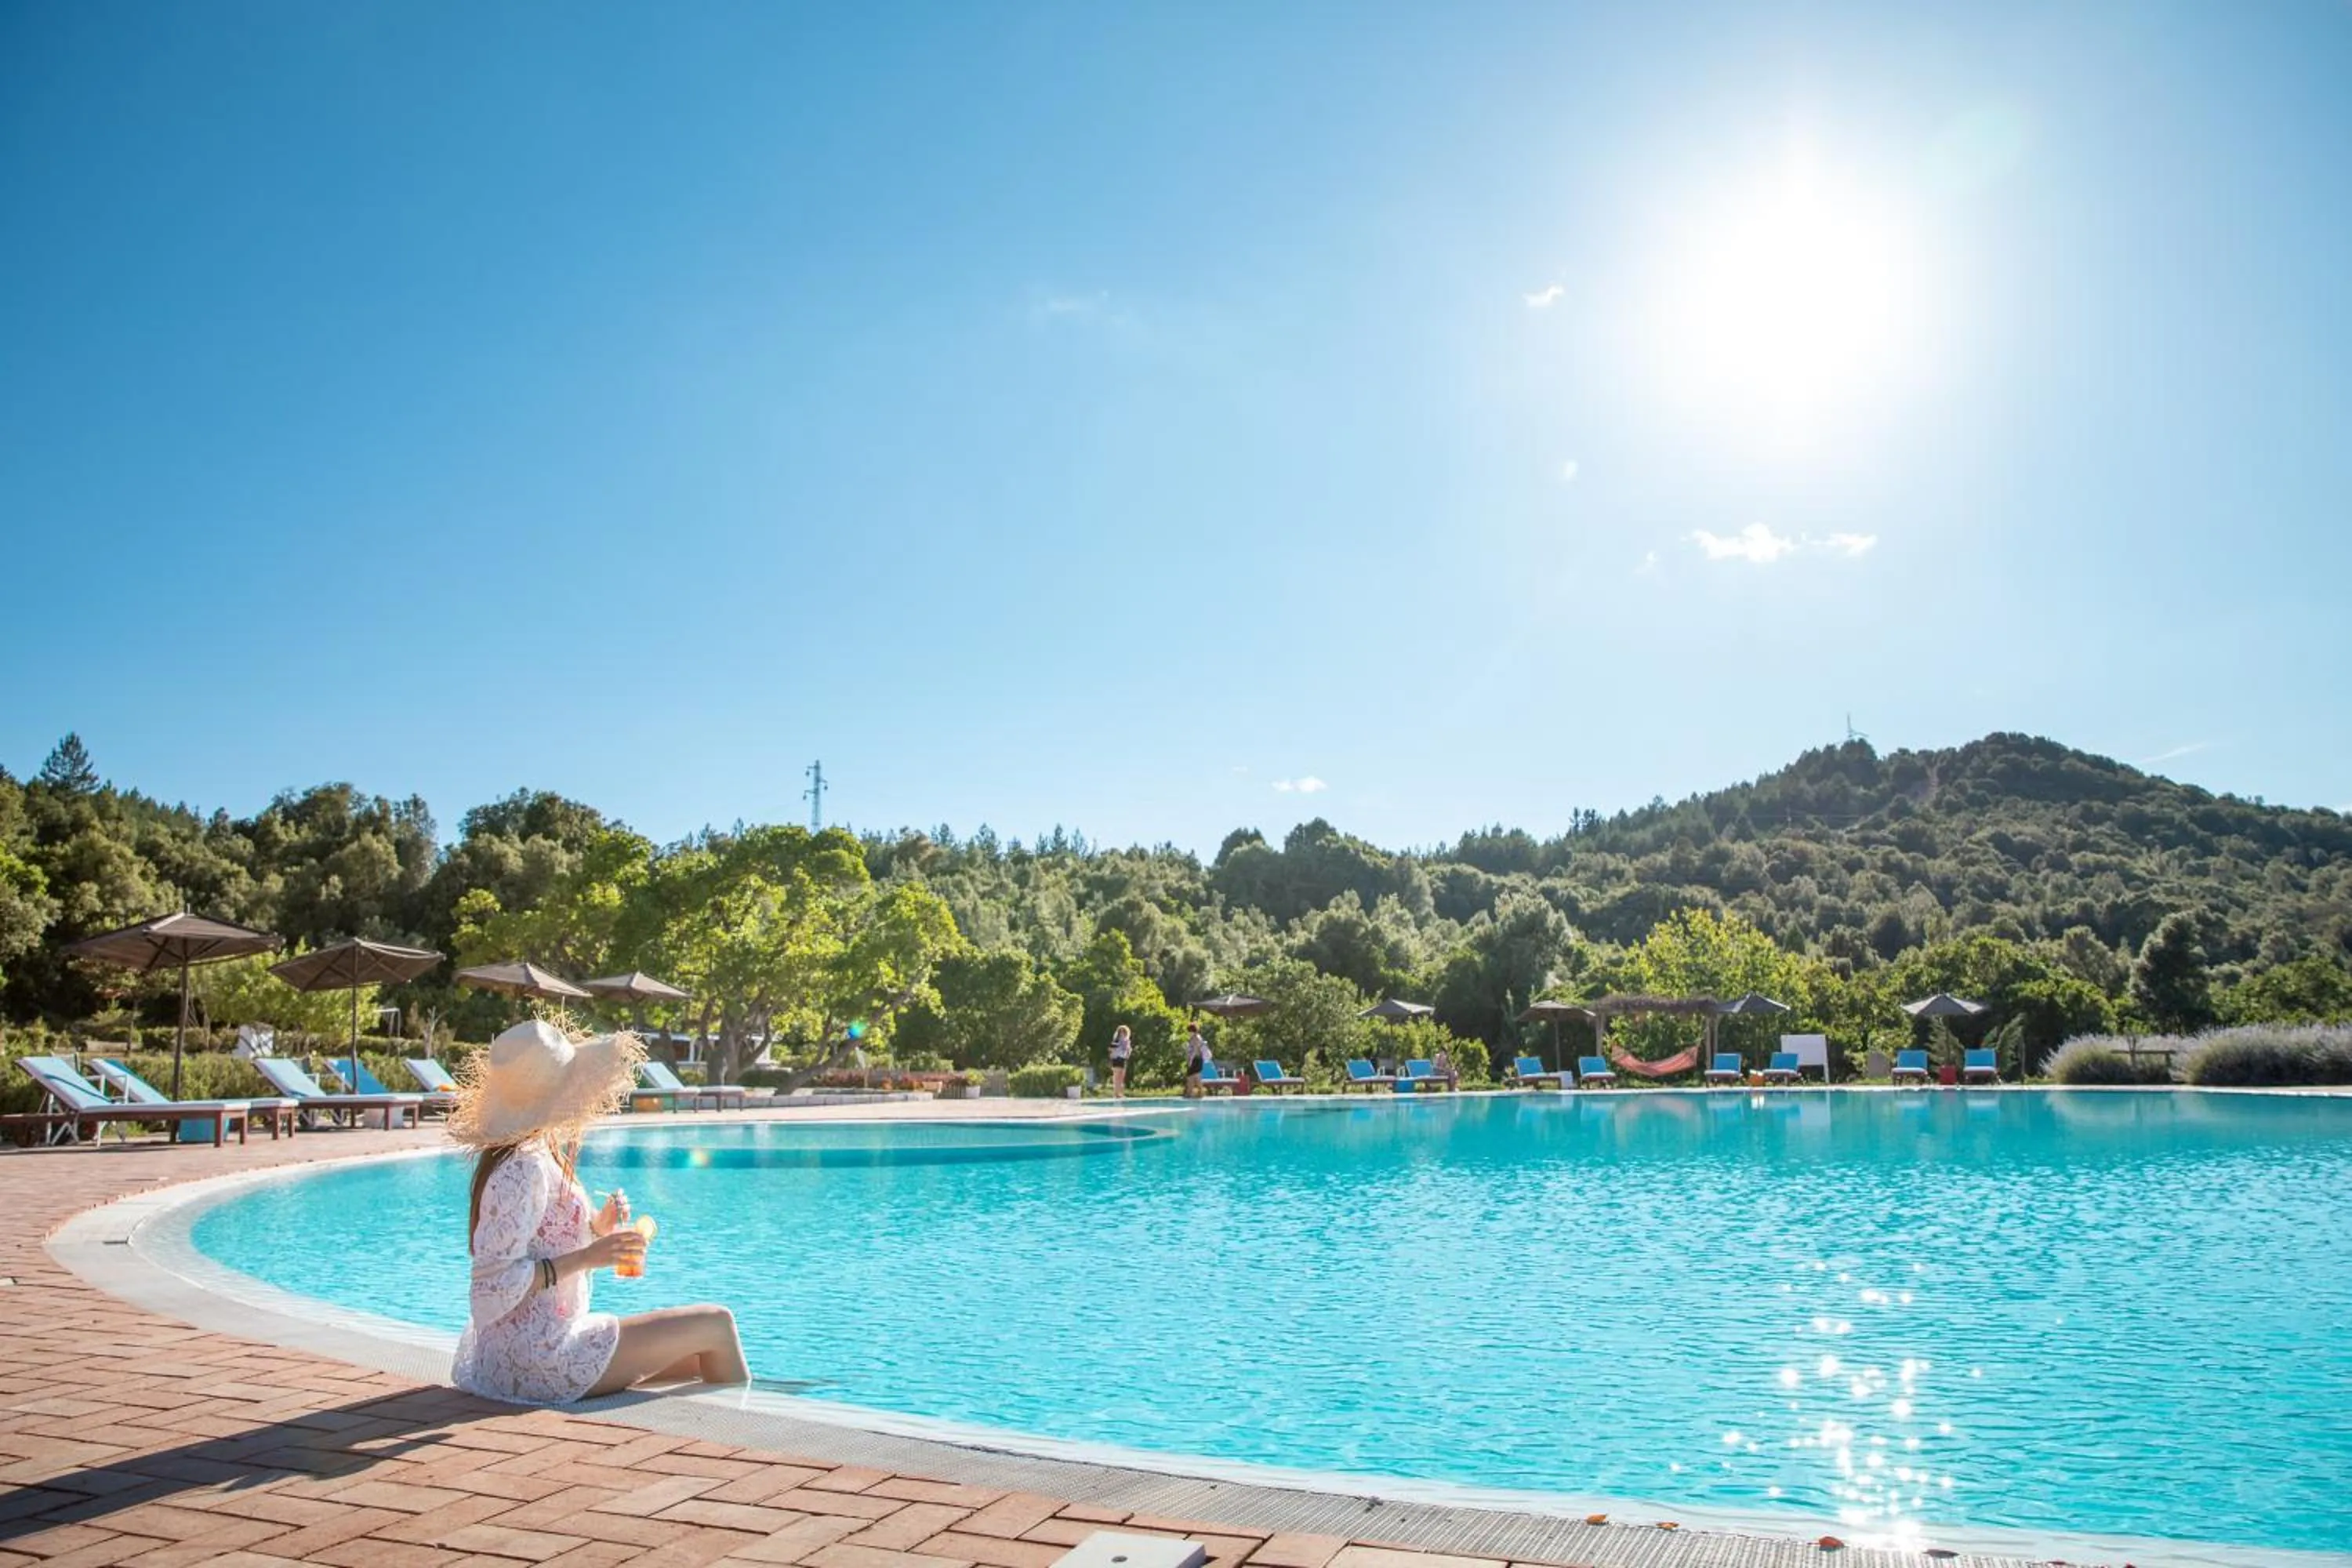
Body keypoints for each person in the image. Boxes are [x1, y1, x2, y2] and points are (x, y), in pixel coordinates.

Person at [451, 1019, 750, 1404]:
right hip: (536, 1358)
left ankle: (746, 1422)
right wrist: (589, 1256)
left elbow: (541, 1243)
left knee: (700, 1356)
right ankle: (755, 1442)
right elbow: (492, 1282)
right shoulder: (523, 1166)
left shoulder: (533, 1154)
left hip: (531, 1349)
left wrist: (596, 1228)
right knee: (717, 1325)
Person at [1183, 1023, 1210, 1098]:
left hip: (1196, 1060)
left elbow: (1195, 1051)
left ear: (1193, 1031)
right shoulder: (1193, 1038)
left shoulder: (1196, 1038)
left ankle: (1194, 1093)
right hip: (1194, 1060)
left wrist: (1190, 1060)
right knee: (1193, 1077)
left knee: (1194, 1077)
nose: (1188, 1033)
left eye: (1189, 1031)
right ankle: (1193, 1093)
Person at [1108, 1023, 1132, 1100]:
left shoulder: (1127, 1041)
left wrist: (1128, 1053)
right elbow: (1111, 1048)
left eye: (1124, 1032)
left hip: (1123, 1059)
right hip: (1117, 1058)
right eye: (1121, 1031)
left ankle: (1120, 1093)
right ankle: (1116, 1093)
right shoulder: (1116, 1040)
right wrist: (1114, 1052)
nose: (1122, 1033)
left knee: (1121, 1077)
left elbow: (1128, 1050)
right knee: (1116, 1076)